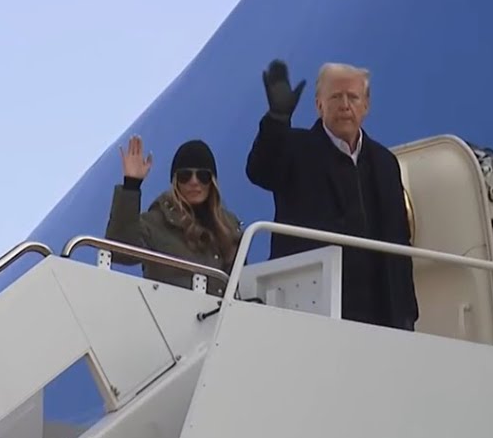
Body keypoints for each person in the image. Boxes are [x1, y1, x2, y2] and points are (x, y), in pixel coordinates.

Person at [244, 59, 419, 331]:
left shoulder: (385, 162)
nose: (345, 105)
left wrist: (407, 313)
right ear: (319, 104)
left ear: (366, 105)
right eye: (336, 97)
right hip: (313, 305)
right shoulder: (294, 148)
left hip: (381, 313)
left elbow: (399, 240)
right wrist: (277, 120)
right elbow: (260, 171)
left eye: (353, 97)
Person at [104, 135, 242, 296]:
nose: (194, 181)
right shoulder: (157, 222)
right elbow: (119, 251)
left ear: (212, 181)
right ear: (175, 181)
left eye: (203, 176)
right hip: (169, 316)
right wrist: (131, 185)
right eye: (185, 175)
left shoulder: (229, 227)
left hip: (223, 317)